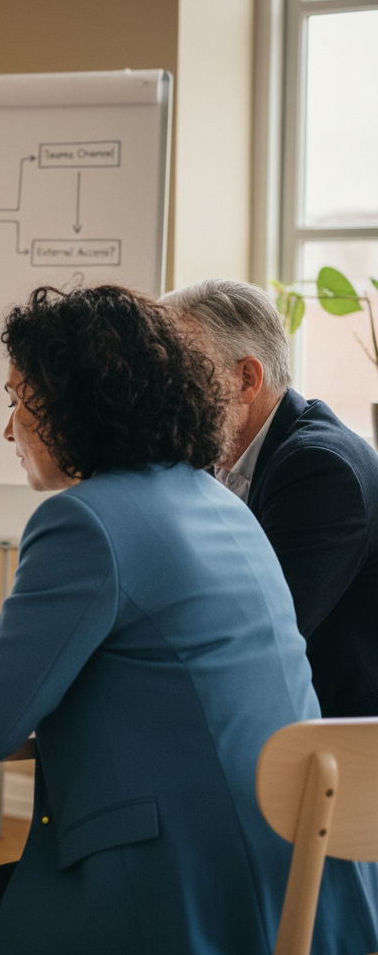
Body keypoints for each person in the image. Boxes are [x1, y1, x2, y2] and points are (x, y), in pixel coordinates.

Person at [0, 284, 378, 955]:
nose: (10, 430)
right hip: (300, 894)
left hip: (186, 905)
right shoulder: (215, 498)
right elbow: (116, 658)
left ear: (74, 409)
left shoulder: (83, 522)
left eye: (18, 402)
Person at [164, 278, 378, 717]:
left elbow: (261, 632)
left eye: (180, 377)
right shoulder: (215, 454)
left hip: (337, 734)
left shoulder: (320, 467)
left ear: (246, 378)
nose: (165, 398)